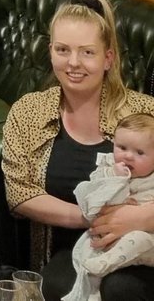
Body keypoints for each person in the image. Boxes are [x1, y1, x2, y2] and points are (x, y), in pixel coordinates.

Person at [2, 0, 154, 300]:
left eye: (87, 52)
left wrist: (142, 217)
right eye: (63, 50)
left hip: (143, 245)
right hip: (65, 251)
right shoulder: (29, 112)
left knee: (121, 289)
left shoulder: (145, 113)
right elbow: (19, 194)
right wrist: (90, 216)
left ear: (108, 57)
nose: (73, 63)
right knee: (57, 285)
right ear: (50, 51)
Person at [66, 113, 154, 301]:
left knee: (139, 239)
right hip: (105, 237)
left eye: (140, 153)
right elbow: (91, 198)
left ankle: (105, 264)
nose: (128, 156)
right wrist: (114, 178)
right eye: (122, 148)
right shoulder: (107, 169)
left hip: (146, 244)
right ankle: (92, 290)